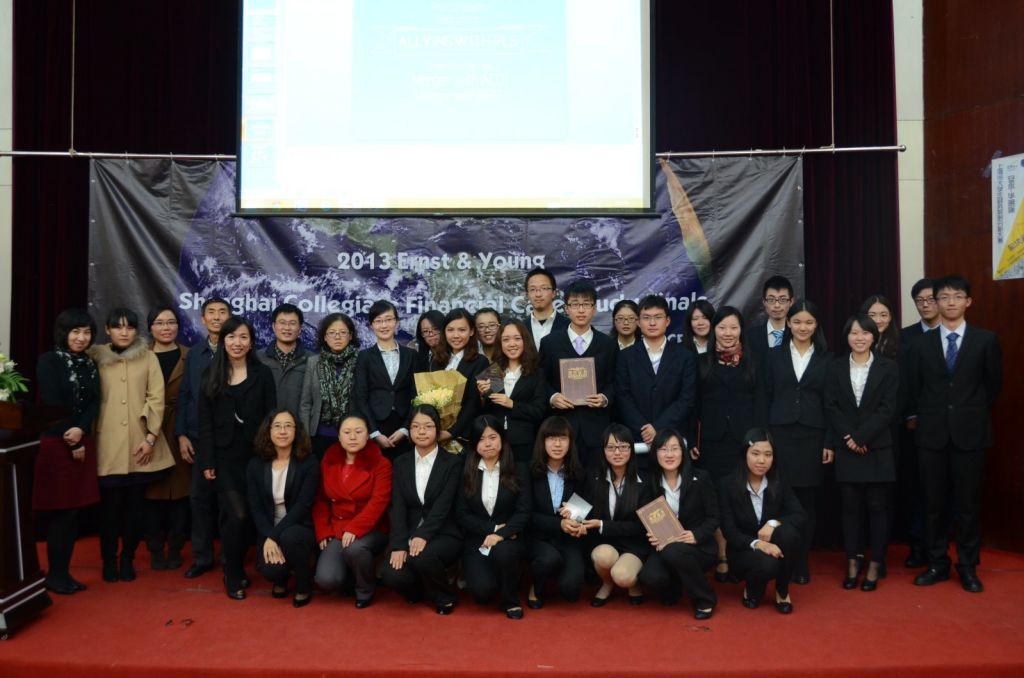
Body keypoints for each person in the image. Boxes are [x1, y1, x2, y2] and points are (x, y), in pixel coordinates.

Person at [907, 275, 1001, 592]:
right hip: (931, 435)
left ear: (968, 301)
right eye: (944, 297)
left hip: (970, 435)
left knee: (967, 506)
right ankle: (937, 563)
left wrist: (966, 413)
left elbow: (992, 387)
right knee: (932, 504)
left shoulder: (985, 340)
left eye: (957, 296)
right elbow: (914, 388)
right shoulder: (920, 344)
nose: (950, 302)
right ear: (935, 302)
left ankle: (968, 566)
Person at [89, 307, 174, 583]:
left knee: (136, 507)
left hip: (140, 445)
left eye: (129, 327)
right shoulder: (95, 358)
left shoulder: (148, 357)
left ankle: (128, 559)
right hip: (107, 445)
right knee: (110, 508)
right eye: (118, 327)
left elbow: (156, 398)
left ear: (137, 331)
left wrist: (150, 437)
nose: (124, 332)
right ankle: (108, 560)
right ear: (107, 329)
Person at [198, 316, 277, 599]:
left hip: (257, 457)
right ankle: (232, 572)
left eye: (243, 337)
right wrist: (207, 461)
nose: (237, 343)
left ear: (251, 342)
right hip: (224, 458)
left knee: (253, 514)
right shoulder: (211, 374)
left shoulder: (262, 374)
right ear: (223, 341)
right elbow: (204, 422)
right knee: (237, 515)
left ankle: (240, 565)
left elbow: (271, 416)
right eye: (231, 337)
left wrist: (273, 455)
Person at [757, 299, 833, 584]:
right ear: (788, 323)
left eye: (809, 322)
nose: (803, 327)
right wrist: (764, 438)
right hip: (779, 436)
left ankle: (801, 563)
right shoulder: (773, 355)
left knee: (806, 504)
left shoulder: (827, 358)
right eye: (798, 321)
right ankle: (779, 559)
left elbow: (831, 404)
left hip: (813, 437)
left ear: (816, 325)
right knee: (778, 499)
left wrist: (829, 441)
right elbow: (764, 396)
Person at [824, 314, 899, 591]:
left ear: (874, 336)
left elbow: (888, 409)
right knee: (850, 509)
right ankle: (853, 562)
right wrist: (850, 437)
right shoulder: (835, 367)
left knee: (877, 508)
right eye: (854, 333)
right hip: (847, 447)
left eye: (865, 333)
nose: (860, 338)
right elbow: (831, 405)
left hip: (876, 447)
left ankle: (876, 563)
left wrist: (862, 436)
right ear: (847, 336)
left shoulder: (888, 367)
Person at [33, 308, 101, 594]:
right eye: (75, 332)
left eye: (86, 332)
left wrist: (81, 431)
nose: (81, 338)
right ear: (64, 333)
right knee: (61, 512)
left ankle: (62, 572)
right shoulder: (49, 361)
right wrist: (72, 439)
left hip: (80, 439)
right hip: (56, 444)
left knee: (73, 512)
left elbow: (94, 402)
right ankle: (55, 575)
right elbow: (52, 404)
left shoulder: (89, 363)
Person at [690, 306, 757, 582]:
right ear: (713, 330)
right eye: (722, 327)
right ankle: (721, 555)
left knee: (740, 498)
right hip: (711, 442)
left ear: (741, 330)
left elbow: (760, 401)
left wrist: (759, 439)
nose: (728, 333)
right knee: (715, 498)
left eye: (733, 327)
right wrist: (691, 439)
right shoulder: (701, 362)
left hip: (744, 442)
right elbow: (693, 405)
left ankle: (742, 554)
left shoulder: (753, 361)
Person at [380, 405, 463, 615]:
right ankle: (419, 591)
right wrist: (399, 544)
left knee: (422, 556)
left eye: (428, 426)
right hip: (410, 532)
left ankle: (445, 596)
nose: (422, 431)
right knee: (391, 573)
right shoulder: (401, 463)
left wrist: (423, 534)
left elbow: (444, 505)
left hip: (444, 532)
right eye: (416, 426)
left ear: (438, 429)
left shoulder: (452, 462)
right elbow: (398, 506)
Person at [719, 429, 805, 613]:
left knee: (789, 534)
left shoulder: (778, 481)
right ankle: (752, 588)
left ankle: (782, 590)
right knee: (768, 564)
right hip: (743, 550)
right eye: (755, 453)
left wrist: (773, 523)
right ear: (745, 454)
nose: (761, 460)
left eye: (768, 454)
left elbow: (799, 514)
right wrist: (759, 544)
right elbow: (730, 532)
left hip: (774, 545)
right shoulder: (727, 485)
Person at [312, 412, 392, 608]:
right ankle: (350, 578)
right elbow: (320, 499)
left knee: (355, 548)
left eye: (359, 431)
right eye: (347, 432)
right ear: (339, 436)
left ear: (368, 435)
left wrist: (355, 528)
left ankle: (365, 588)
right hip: (337, 527)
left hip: (371, 528)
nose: (353, 437)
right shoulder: (328, 461)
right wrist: (323, 530)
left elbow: (379, 502)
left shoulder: (381, 464)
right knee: (327, 580)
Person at [638, 429, 719, 619]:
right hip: (665, 546)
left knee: (674, 551)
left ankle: (705, 599)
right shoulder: (650, 483)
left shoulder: (701, 478)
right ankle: (675, 585)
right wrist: (651, 534)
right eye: (663, 449)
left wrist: (696, 535)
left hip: (699, 547)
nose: (669, 454)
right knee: (650, 577)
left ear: (683, 452)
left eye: (675, 449)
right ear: (655, 453)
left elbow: (714, 517)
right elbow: (646, 518)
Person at [456, 415, 531, 619]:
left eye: (492, 437)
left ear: (502, 439)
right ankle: (497, 577)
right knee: (483, 593)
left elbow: (523, 512)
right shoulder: (466, 470)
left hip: (509, 538)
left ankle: (511, 600)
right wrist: (492, 530)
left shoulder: (518, 469)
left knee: (504, 554)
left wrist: (501, 534)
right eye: (481, 439)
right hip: (476, 539)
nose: (487, 444)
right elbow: (461, 514)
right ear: (474, 443)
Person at [177, 296, 231, 580]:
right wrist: (181, 434)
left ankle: (230, 558)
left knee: (228, 501)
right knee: (199, 500)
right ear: (203, 319)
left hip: (229, 439)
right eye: (212, 312)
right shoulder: (195, 354)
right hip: (198, 438)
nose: (217, 317)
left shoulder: (238, 349)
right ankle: (202, 557)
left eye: (223, 312)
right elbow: (185, 395)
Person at [539, 280, 617, 470]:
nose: (581, 310)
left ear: (594, 308)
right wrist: (553, 397)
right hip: (561, 428)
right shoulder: (550, 343)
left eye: (586, 304)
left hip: (596, 428)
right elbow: (540, 380)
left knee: (595, 479)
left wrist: (605, 398)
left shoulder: (607, 344)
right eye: (575, 304)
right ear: (566, 308)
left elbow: (615, 382)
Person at [246, 409, 320, 607]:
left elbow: (303, 506)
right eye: (277, 426)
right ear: (268, 431)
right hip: (268, 527)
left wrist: (274, 536)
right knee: (271, 570)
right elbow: (256, 508)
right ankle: (281, 578)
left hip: (299, 526)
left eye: (288, 426)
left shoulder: (309, 462)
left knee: (289, 537)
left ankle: (304, 584)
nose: (283, 431)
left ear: (296, 431)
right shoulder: (255, 465)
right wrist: (269, 535)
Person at [615, 295, 697, 470]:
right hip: (637, 441)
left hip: (672, 440)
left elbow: (687, 398)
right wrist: (645, 430)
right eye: (646, 318)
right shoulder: (625, 357)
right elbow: (622, 396)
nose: (652, 323)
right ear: (638, 322)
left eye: (658, 317)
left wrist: (658, 427)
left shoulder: (685, 356)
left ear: (667, 321)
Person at [579, 424, 653, 606]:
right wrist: (571, 513)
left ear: (631, 449)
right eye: (611, 447)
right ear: (603, 451)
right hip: (605, 543)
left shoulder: (646, 482)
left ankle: (631, 583)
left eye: (623, 447)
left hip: (634, 544)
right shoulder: (593, 477)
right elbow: (582, 506)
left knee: (623, 576)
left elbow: (641, 526)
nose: (617, 452)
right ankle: (607, 583)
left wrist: (602, 525)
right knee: (603, 556)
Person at [143, 306, 191, 571]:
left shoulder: (190, 355)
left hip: (179, 428)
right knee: (152, 493)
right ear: (150, 328)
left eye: (171, 322)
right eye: (159, 323)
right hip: (148, 429)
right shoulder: (141, 356)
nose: (166, 328)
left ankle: (175, 547)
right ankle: (154, 547)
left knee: (180, 493)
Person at [897, 278, 940, 568]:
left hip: (949, 426)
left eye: (931, 299)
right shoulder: (905, 337)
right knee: (916, 488)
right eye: (920, 301)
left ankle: (938, 547)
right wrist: (911, 415)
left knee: (943, 490)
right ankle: (917, 545)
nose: (925, 305)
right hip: (914, 428)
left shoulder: (956, 335)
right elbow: (904, 383)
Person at [526, 416, 588, 607]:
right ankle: (535, 585)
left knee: (572, 590)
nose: (558, 444)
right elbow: (526, 514)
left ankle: (559, 576)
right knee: (549, 559)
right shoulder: (529, 471)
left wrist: (578, 521)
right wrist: (558, 523)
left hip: (567, 538)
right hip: (537, 536)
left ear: (571, 442)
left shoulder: (579, 472)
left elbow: (583, 507)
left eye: (563, 438)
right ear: (542, 441)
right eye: (552, 438)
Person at [353, 300, 417, 461]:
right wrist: (374, 433)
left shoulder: (411, 355)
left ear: (397, 322)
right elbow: (361, 396)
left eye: (388, 319)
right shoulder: (364, 357)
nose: (384, 325)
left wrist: (405, 429)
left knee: (404, 471)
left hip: (405, 424)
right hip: (375, 423)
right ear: (371, 325)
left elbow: (417, 395)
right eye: (378, 321)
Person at [478, 319, 548, 462]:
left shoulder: (537, 373)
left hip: (525, 444)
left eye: (517, 338)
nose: (511, 344)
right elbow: (483, 412)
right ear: (500, 343)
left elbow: (539, 411)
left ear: (525, 341)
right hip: (495, 444)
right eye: (506, 340)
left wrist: (512, 404)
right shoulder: (493, 371)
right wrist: (481, 396)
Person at [299, 312, 360, 459]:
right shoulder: (314, 362)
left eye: (342, 332)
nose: (337, 337)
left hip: (352, 437)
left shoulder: (361, 361)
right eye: (332, 333)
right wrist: (305, 437)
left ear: (350, 336)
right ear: (325, 337)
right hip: (319, 435)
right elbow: (306, 403)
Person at [428, 308, 490, 446]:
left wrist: (452, 432)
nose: (455, 335)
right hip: (437, 433)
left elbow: (473, 402)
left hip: (465, 434)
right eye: (450, 330)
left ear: (472, 331)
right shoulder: (436, 361)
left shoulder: (482, 361)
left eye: (462, 330)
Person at [257, 303, 313, 415]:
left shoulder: (311, 360)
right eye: (282, 323)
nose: (287, 328)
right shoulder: (259, 357)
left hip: (298, 424)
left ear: (300, 328)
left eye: (292, 323)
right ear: (274, 326)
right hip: (266, 423)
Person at [742, 275, 794, 366]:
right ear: (764, 302)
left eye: (782, 300)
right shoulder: (750, 337)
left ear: (791, 302)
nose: (777, 305)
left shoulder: (797, 335)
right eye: (771, 299)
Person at [520, 266, 568, 348]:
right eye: (533, 289)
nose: (538, 294)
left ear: (554, 293)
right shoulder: (520, 328)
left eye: (544, 288)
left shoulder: (569, 326)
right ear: (527, 294)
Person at [861, 295, 900, 360]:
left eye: (883, 315)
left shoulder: (902, 343)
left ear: (890, 317)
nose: (878, 321)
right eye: (872, 315)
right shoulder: (857, 342)